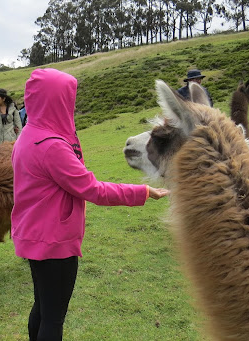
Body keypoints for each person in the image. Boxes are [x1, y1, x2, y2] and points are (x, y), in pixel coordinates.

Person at [11, 68, 169, 341]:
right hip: (54, 242)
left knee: (42, 307)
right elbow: (93, 190)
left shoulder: (29, 135)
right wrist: (143, 192)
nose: (70, 105)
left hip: (33, 235)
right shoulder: (52, 146)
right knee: (53, 317)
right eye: (67, 98)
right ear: (55, 100)